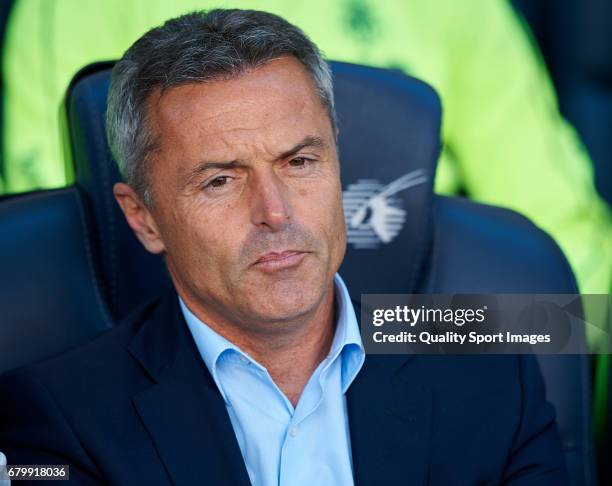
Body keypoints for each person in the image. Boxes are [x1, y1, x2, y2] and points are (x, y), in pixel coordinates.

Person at [0, 10, 567, 485]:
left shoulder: (489, 360)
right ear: (143, 217)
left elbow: (580, 324)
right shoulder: (52, 419)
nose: (275, 212)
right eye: (220, 179)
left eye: (299, 162)